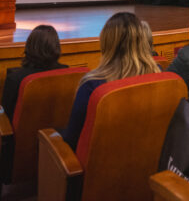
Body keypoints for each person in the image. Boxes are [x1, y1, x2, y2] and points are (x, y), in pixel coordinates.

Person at [62, 12, 160, 149]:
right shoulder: (159, 74)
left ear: (106, 43)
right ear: (142, 40)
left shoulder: (92, 85)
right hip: (151, 161)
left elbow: (72, 140)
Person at [1, 25, 67, 120]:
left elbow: (5, 115)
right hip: (56, 132)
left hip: (23, 133)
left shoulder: (15, 79)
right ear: (56, 46)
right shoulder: (67, 72)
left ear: (30, 46)